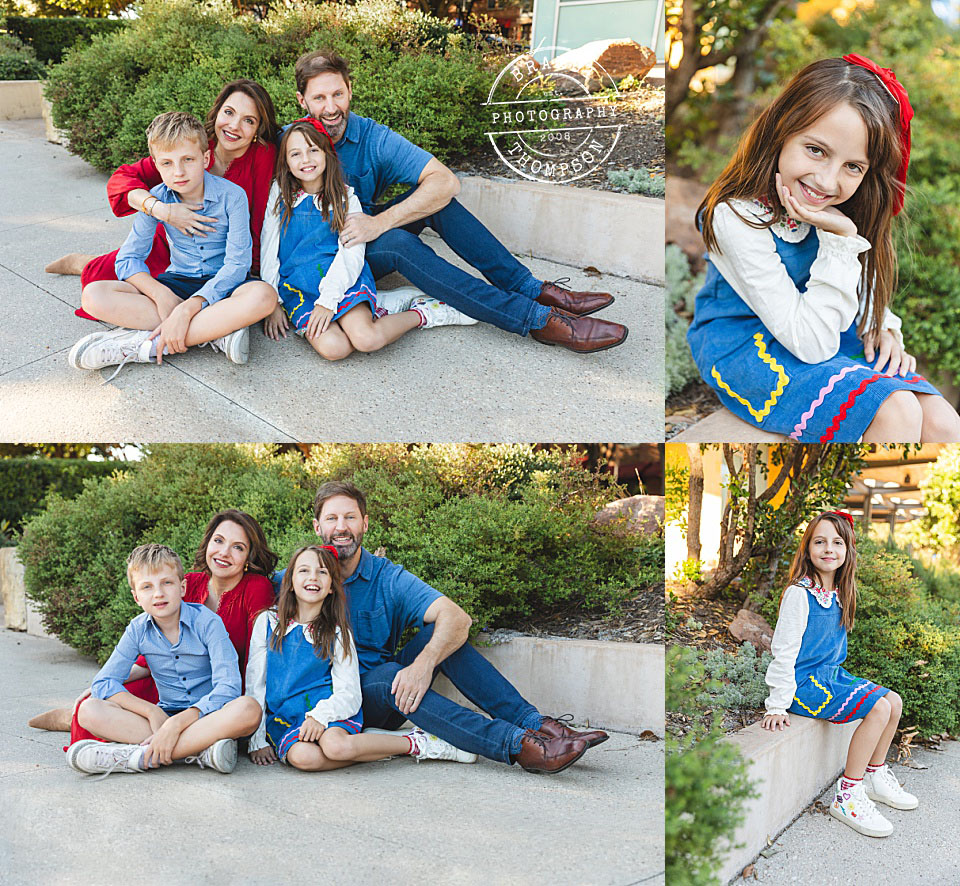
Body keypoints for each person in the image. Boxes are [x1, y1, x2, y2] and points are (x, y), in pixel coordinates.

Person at [687, 55, 960, 442]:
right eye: (816, 150)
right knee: (894, 410)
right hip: (749, 344)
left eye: (853, 166)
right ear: (781, 131)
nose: (827, 181)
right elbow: (811, 345)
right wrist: (840, 240)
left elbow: (863, 287)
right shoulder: (736, 217)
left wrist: (883, 326)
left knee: (945, 424)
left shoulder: (842, 209)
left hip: (823, 326)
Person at [290, 49, 628, 354]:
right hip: (324, 258)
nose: (331, 107)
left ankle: (531, 288)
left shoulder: (372, 137)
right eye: (319, 98)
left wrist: (379, 222)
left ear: (350, 89)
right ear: (302, 101)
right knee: (397, 243)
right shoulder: (291, 144)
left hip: (362, 237)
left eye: (337, 93)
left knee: (438, 203)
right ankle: (537, 320)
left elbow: (445, 182)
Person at [280, 480, 608, 774]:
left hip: (387, 699)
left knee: (438, 638)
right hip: (337, 702)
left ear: (364, 523)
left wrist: (423, 664)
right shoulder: (297, 578)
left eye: (350, 517)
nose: (342, 527)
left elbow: (457, 618)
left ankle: (540, 726)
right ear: (317, 527)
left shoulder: (386, 577)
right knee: (387, 675)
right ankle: (518, 745)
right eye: (332, 519)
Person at [31, 509, 276, 746]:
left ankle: (149, 744)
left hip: (224, 690)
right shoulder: (188, 582)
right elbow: (158, 650)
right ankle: (191, 748)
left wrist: (254, 735)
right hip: (169, 687)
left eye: (238, 547)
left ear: (248, 556)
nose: (224, 552)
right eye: (219, 541)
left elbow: (257, 656)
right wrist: (105, 682)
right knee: (96, 701)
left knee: (242, 708)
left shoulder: (255, 587)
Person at [67, 112, 277, 376]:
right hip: (177, 282)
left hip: (224, 285)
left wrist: (190, 307)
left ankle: (144, 345)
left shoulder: (232, 196)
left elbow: (237, 264)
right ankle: (215, 333)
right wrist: (160, 294)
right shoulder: (156, 200)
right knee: (93, 295)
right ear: (156, 165)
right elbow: (128, 259)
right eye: (167, 163)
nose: (178, 172)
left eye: (188, 160)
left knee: (263, 296)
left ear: (205, 158)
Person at [260, 119, 476, 360]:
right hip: (299, 285)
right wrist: (273, 303)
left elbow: (351, 253)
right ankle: (380, 304)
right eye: (296, 154)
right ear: (287, 163)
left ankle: (423, 313)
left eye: (313, 150)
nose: (306, 160)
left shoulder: (345, 197)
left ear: (327, 153)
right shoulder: (280, 194)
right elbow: (269, 248)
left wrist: (329, 301)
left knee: (366, 339)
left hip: (340, 276)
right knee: (335, 349)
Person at [247, 544, 476, 770]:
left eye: (322, 572)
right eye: (304, 570)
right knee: (304, 758)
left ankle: (415, 743)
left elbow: (349, 691)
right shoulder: (268, 622)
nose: (313, 577)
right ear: (289, 584)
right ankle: (372, 745)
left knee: (335, 747)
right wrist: (256, 740)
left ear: (331, 588)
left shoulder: (336, 632)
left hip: (329, 708)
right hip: (286, 716)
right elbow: (255, 683)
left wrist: (320, 716)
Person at [46, 79, 278, 300]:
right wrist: (162, 211)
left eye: (249, 120)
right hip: (171, 244)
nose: (234, 125)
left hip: (223, 254)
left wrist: (256, 273)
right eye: (229, 112)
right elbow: (122, 180)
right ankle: (85, 262)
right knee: (101, 277)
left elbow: (258, 223)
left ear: (258, 128)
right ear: (217, 112)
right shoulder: (190, 145)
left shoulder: (262, 156)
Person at [762, 511, 918, 838]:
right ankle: (848, 794)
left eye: (836, 542)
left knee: (894, 701)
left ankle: (874, 774)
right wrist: (776, 705)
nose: (828, 548)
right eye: (820, 541)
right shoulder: (799, 594)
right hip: (806, 685)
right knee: (878, 708)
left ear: (848, 550)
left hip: (831, 676)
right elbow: (784, 651)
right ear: (807, 549)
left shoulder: (840, 592)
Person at [66, 544, 262, 777]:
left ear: (182, 587)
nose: (158, 593)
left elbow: (228, 686)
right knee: (89, 710)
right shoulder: (137, 629)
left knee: (249, 709)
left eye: (166, 583)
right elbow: (103, 682)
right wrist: (152, 712)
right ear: (136, 597)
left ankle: (136, 756)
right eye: (147, 587)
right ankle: (199, 753)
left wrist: (177, 724)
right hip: (160, 719)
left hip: (207, 718)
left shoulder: (208, 623)